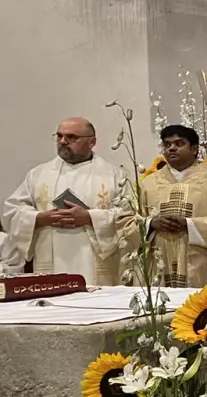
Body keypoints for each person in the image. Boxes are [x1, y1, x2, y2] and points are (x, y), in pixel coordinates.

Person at [3, 118, 129, 284]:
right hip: (51, 263)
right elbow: (12, 211)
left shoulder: (114, 175)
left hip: (95, 266)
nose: (63, 142)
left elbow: (129, 216)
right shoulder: (38, 174)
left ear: (92, 142)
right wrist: (40, 218)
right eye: (59, 136)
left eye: (71, 137)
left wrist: (90, 217)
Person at [126, 125, 207, 288]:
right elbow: (128, 222)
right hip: (157, 264)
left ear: (194, 149)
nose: (171, 148)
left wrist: (189, 225)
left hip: (198, 264)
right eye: (167, 144)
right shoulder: (148, 183)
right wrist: (151, 224)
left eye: (179, 143)